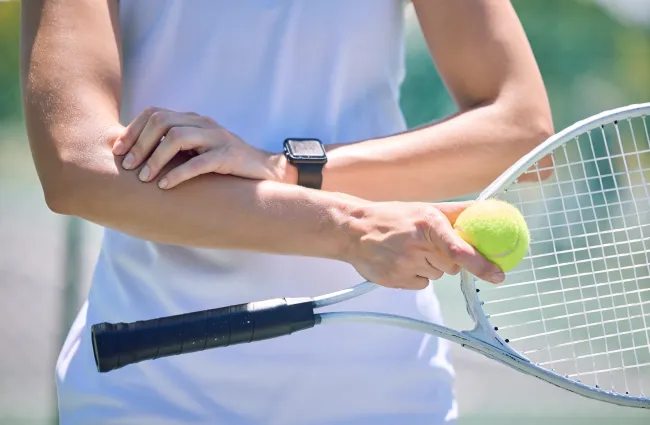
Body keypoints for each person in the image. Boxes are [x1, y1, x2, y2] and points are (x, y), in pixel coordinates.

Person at [21, 1, 553, 424]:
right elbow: (77, 168)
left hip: (386, 394)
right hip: (150, 388)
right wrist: (346, 226)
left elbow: (521, 132)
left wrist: (288, 170)